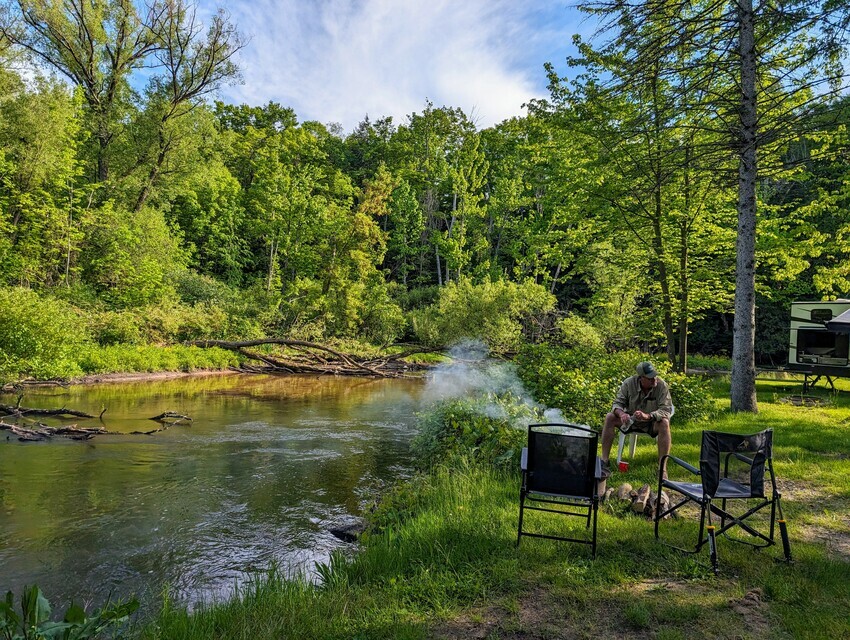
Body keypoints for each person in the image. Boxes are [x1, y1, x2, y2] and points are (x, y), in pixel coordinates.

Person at [600, 361, 673, 479]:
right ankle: (604, 461)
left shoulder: (661, 385)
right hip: (630, 422)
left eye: (654, 375)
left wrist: (648, 416)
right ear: (641, 378)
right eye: (650, 378)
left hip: (651, 423)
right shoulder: (629, 383)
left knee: (664, 422)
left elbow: (666, 410)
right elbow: (617, 403)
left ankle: (662, 468)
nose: (654, 379)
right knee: (610, 417)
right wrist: (622, 414)